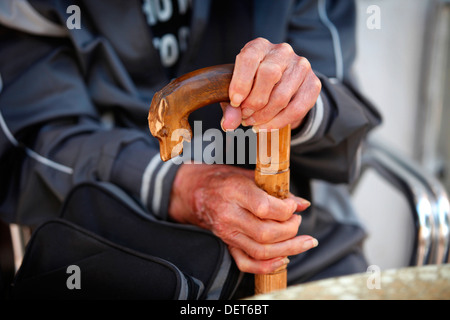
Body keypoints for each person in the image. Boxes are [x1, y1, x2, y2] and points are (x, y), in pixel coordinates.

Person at [0, 0, 381, 298]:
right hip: (125, 253)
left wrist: (301, 106)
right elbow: (35, 141)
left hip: (297, 252)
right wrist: (180, 188)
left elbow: (350, 130)